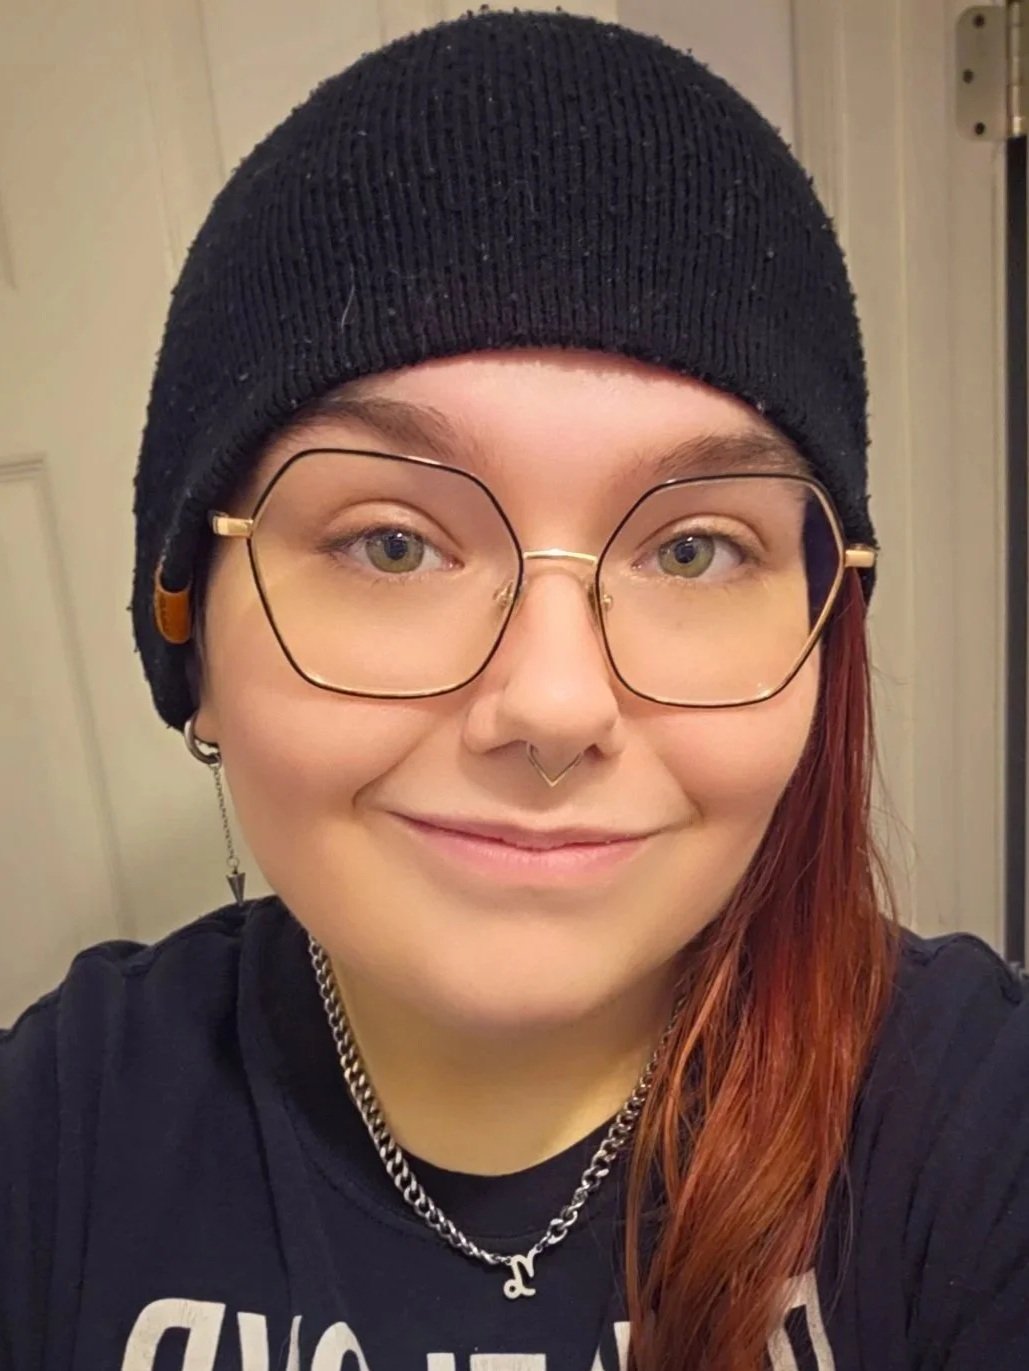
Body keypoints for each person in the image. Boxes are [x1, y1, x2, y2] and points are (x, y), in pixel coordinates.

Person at [2, 10, 1027, 1370]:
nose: (552, 706)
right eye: (392, 543)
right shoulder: (61, 1135)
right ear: (190, 636)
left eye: (691, 549)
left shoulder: (972, 1129)